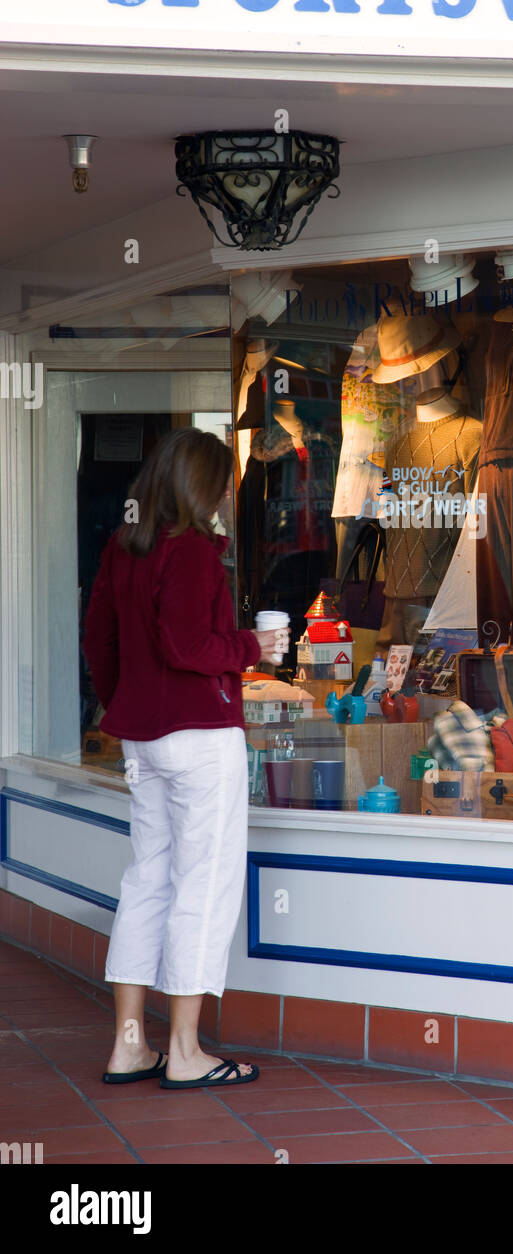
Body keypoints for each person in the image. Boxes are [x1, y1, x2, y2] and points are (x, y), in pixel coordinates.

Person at [83, 427, 282, 1090]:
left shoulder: (125, 545)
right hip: (199, 736)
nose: (226, 494)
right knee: (204, 884)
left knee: (148, 880)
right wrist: (253, 648)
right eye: (222, 482)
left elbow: (99, 637)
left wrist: (126, 703)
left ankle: (129, 1046)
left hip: (144, 738)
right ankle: (190, 1052)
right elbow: (188, 644)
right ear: (201, 486)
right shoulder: (193, 549)